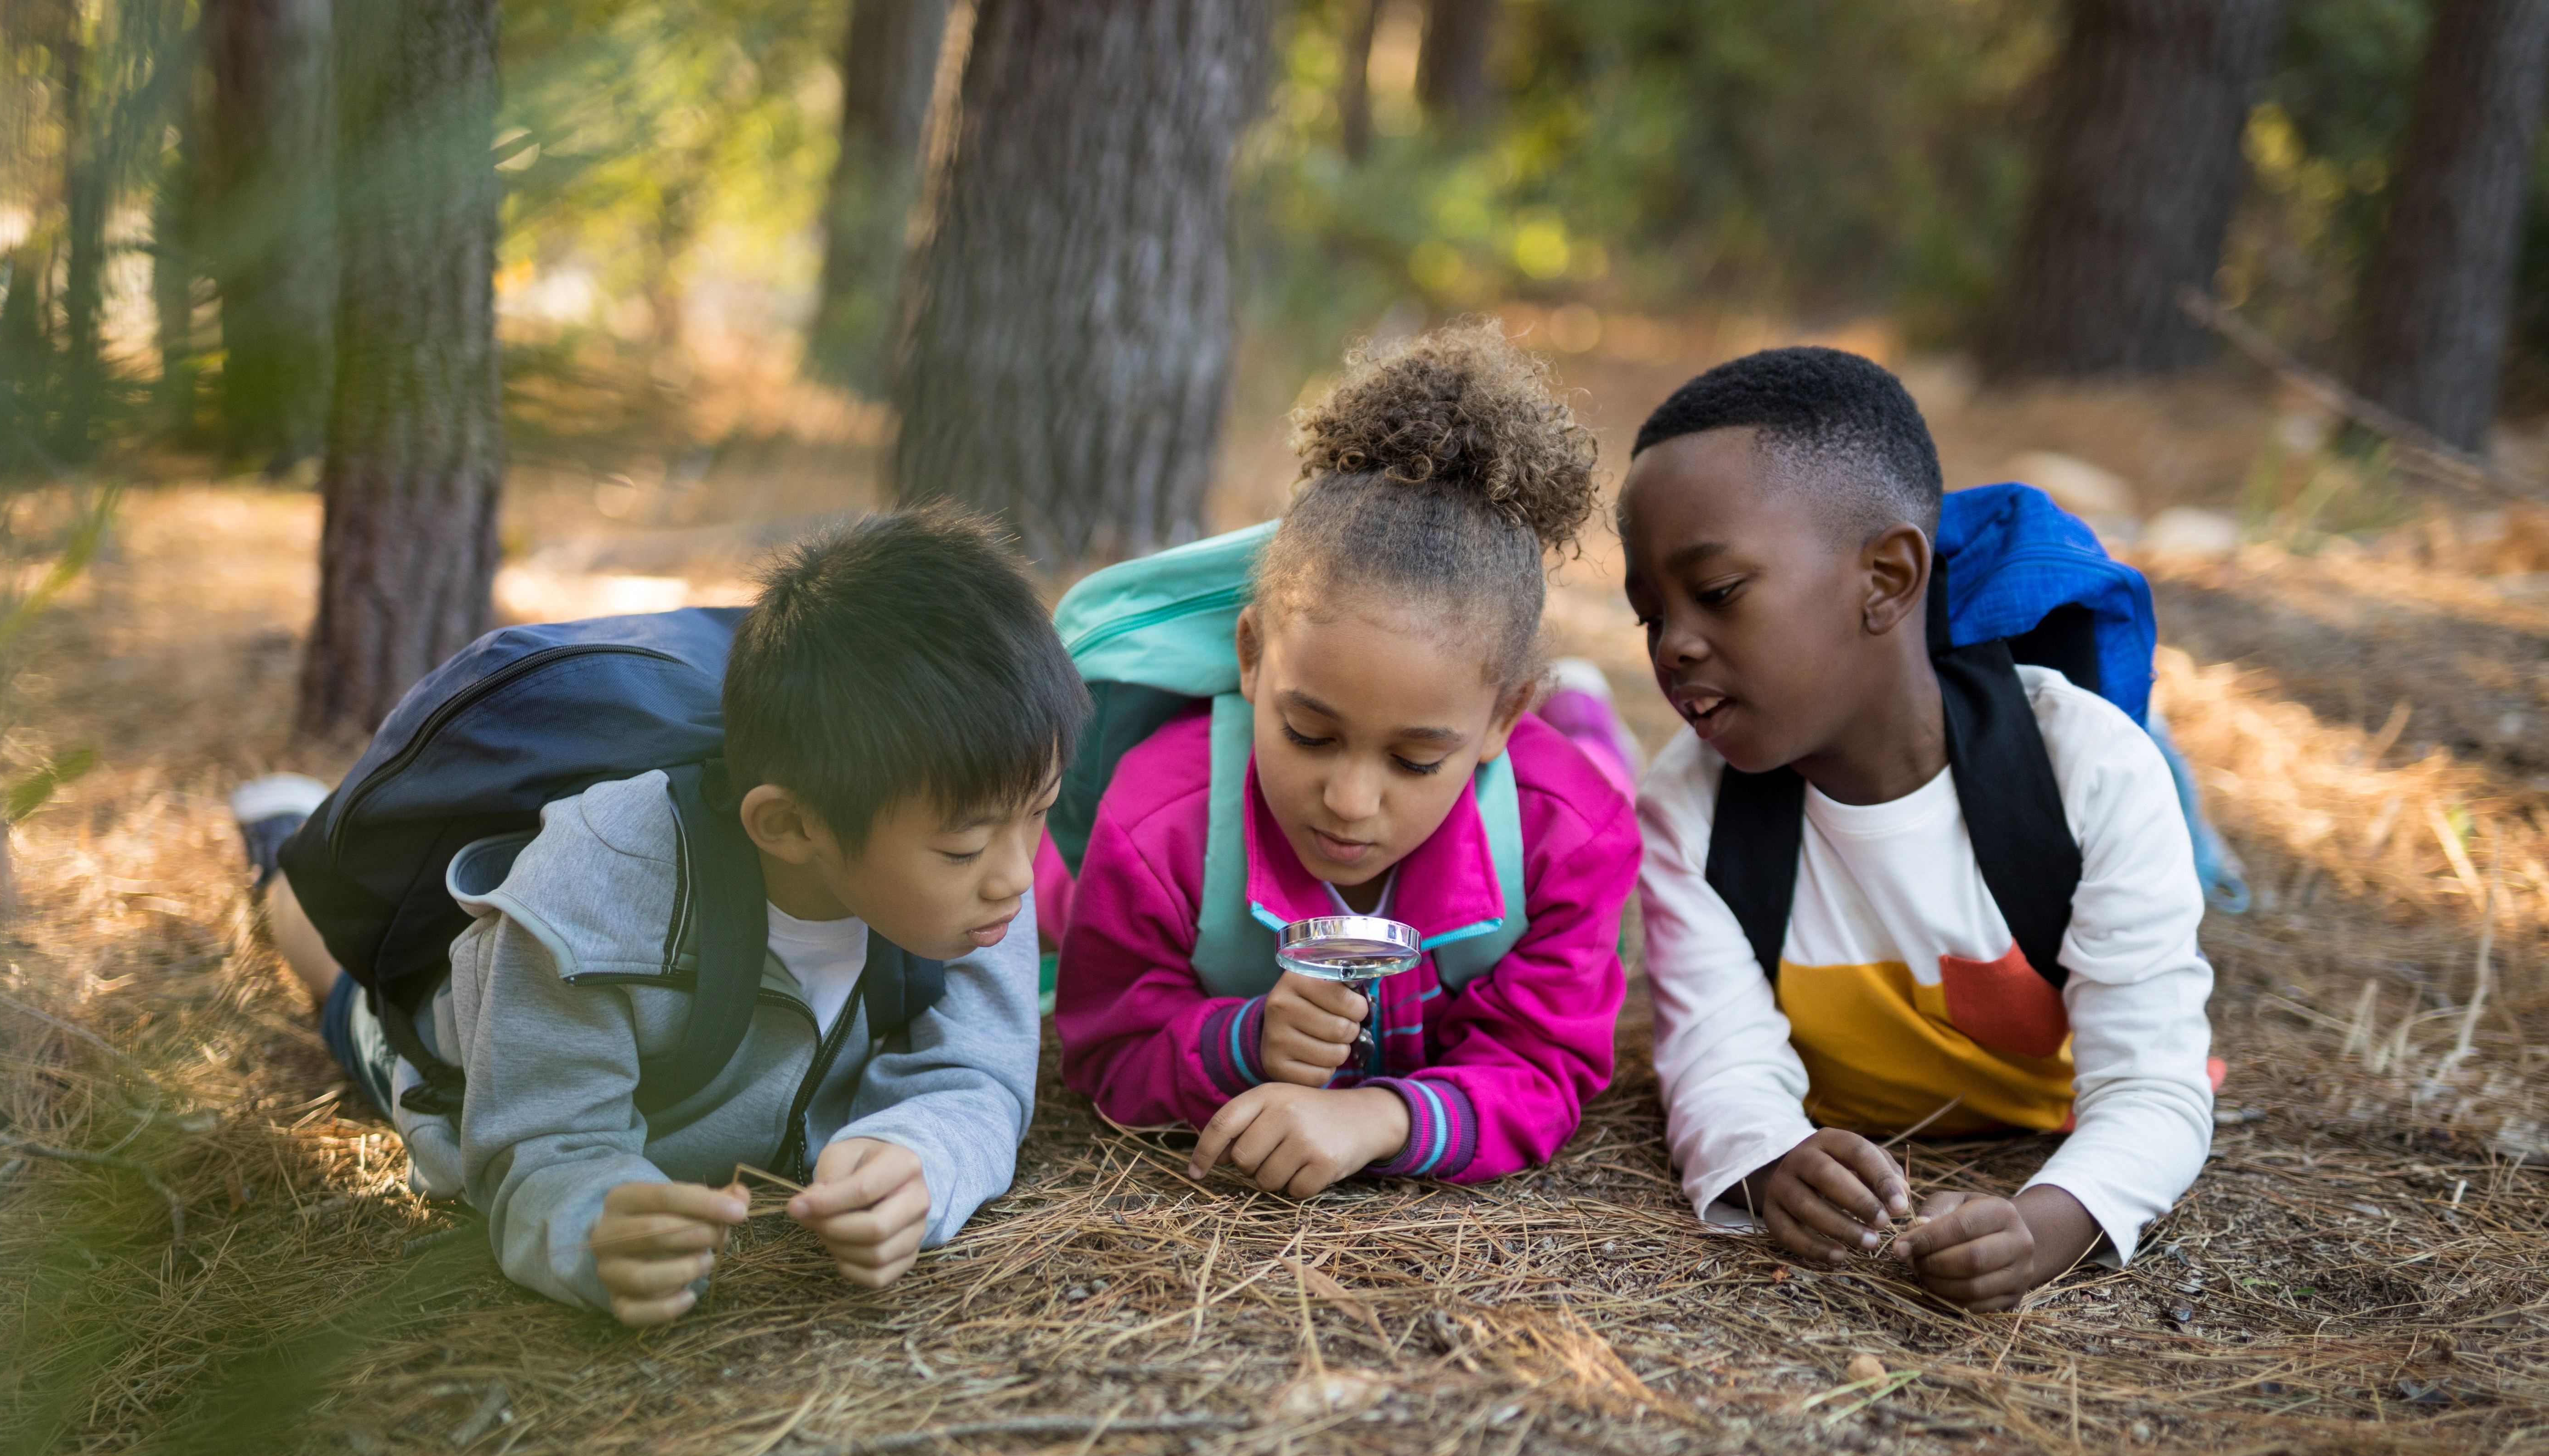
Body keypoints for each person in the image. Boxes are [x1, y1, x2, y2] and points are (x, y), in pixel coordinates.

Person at [233, 508, 1084, 1324]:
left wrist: (920, 1161)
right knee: (326, 958)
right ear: (789, 826)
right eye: (964, 849)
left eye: (1039, 812)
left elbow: (974, 1081)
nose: (1017, 877)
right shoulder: (596, 892)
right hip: (475, 1042)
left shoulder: (978, 887)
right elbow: (542, 1147)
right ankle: (280, 837)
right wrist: (591, 1223)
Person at [1625, 347, 2214, 1310]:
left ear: (1888, 578)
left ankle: (2195, 806)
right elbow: (1716, 1062)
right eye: (1650, 615)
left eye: (1719, 592)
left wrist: (2046, 1225)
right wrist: (1771, 1163)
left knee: (2166, 798)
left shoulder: (2086, 776)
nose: (1675, 644)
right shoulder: (1692, 806)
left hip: (2054, 1061)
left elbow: (2154, 1088)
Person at [1055, 322, 1641, 1195]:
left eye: (1415, 760)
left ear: (1500, 720)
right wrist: (1242, 1040)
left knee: (1601, 768)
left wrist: (1381, 1118)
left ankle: (1582, 712)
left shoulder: (1572, 835)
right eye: (1310, 734)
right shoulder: (1156, 824)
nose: (1351, 801)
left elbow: (1544, 1063)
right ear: (1251, 658)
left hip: (1558, 774)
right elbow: (1107, 1049)